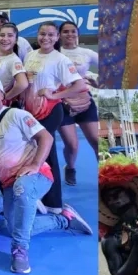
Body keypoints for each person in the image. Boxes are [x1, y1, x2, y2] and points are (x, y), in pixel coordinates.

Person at [0, 76, 92, 274]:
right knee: (15, 226)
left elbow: (45, 137)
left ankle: (20, 251)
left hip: (36, 175)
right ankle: (64, 219)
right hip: (9, 182)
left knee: (22, 190)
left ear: (2, 95)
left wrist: (35, 164)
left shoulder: (16, 114)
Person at [22, 21, 89, 211]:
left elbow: (79, 86)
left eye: (51, 35)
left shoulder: (60, 59)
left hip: (50, 111)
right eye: (43, 34)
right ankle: (40, 196)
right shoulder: (30, 55)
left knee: (47, 153)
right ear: (37, 35)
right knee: (34, 153)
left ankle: (54, 203)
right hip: (31, 111)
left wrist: (55, 95)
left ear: (57, 37)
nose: (46, 38)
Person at [57, 21, 99, 186]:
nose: (69, 34)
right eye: (65, 31)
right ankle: (71, 167)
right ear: (59, 35)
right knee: (72, 145)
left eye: (73, 31)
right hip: (61, 102)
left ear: (78, 34)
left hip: (84, 100)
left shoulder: (87, 53)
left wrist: (97, 82)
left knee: (96, 141)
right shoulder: (54, 53)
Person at [0, 23, 28, 106]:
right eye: (2, 35)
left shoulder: (14, 60)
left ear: (16, 40)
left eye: (10, 36)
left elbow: (23, 84)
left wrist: (5, 96)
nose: (5, 39)